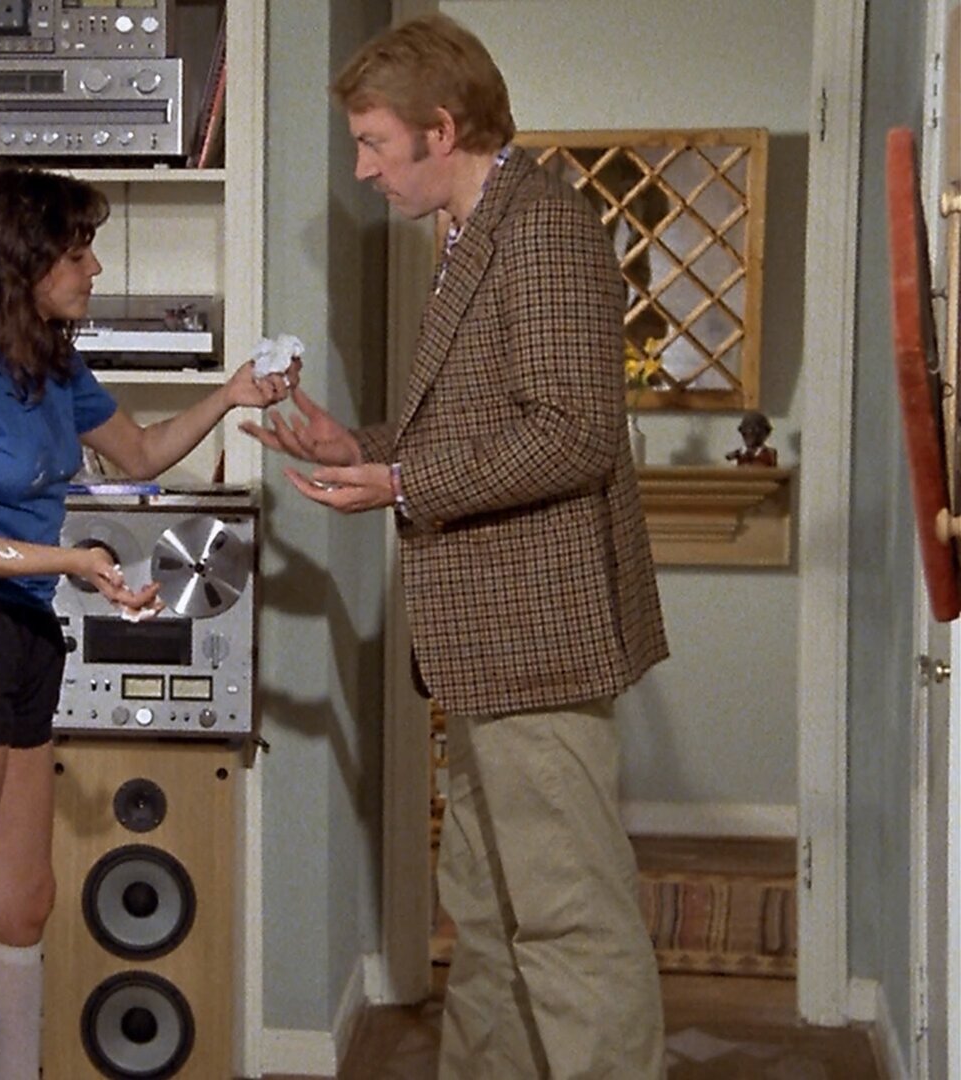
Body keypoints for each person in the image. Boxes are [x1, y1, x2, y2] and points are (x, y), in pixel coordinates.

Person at [241, 14, 670, 1079]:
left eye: (374, 143)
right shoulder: (473, 231)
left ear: (441, 128)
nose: (362, 169)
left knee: (569, 919)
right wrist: (363, 446)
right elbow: (486, 422)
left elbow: (574, 432)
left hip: (540, 638)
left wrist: (401, 483)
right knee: (486, 910)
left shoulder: (543, 229)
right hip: (484, 644)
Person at [0, 165, 294, 1080]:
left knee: (24, 901)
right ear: (23, 261)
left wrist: (231, 395)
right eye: (77, 252)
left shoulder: (53, 366)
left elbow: (140, 454)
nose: (95, 268)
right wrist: (73, 562)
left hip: (25, 634)